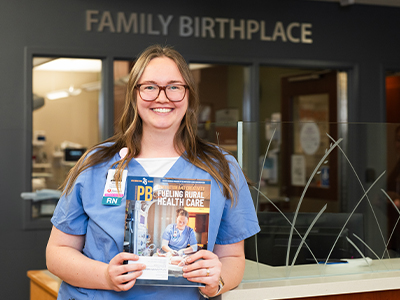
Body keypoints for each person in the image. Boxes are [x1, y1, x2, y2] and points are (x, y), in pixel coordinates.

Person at [46, 44, 260, 300]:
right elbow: (58, 252)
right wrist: (105, 276)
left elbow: (233, 257)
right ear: (134, 95)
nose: (162, 97)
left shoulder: (221, 168)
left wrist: (217, 281)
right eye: (149, 87)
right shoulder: (96, 164)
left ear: (188, 95)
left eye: (174, 87)